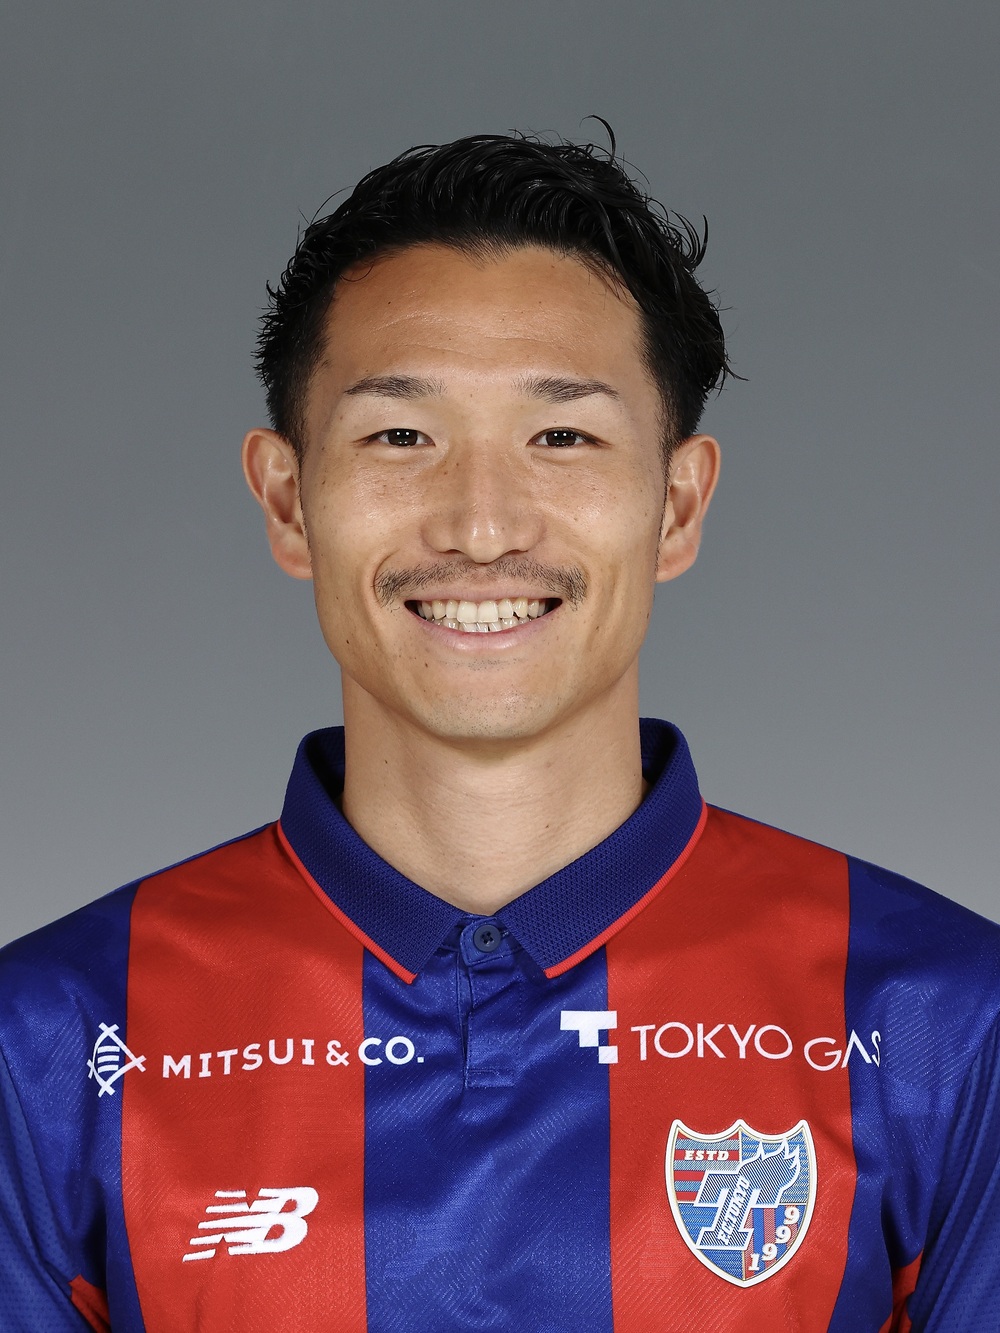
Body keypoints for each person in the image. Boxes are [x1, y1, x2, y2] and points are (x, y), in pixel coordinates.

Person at [1, 131, 998, 1333]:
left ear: (677, 505)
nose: (480, 527)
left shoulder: (942, 1021)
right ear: (288, 500)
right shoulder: (51, 1039)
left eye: (562, 436)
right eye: (400, 436)